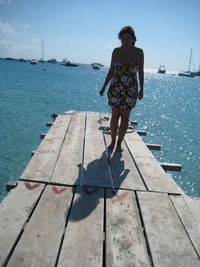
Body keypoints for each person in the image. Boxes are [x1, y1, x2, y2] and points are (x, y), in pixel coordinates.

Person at [99, 26, 144, 152]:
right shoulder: (116, 51)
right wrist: (103, 87)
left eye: (128, 38)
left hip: (131, 89)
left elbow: (140, 71)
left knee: (125, 117)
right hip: (115, 87)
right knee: (115, 116)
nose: (125, 41)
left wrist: (142, 89)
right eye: (123, 38)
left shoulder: (139, 52)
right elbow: (112, 70)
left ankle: (119, 143)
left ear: (133, 39)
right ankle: (113, 141)